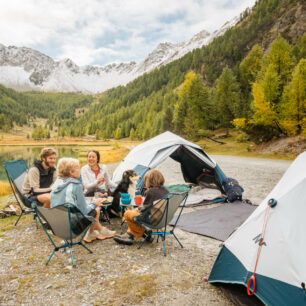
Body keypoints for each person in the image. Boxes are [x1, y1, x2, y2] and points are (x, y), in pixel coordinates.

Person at [50, 157, 116, 243]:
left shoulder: (57, 183)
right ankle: (93, 232)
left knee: (92, 204)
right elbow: (84, 211)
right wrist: (94, 203)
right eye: (77, 167)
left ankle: (98, 231)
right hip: (71, 227)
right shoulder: (75, 185)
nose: (80, 169)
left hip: (57, 225)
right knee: (97, 207)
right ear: (71, 172)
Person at [114, 169, 168, 245]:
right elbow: (150, 205)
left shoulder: (150, 192)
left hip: (152, 218)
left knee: (127, 213)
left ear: (149, 181)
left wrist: (138, 208)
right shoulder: (165, 190)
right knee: (133, 213)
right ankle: (135, 235)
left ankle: (137, 235)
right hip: (164, 218)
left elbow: (144, 209)